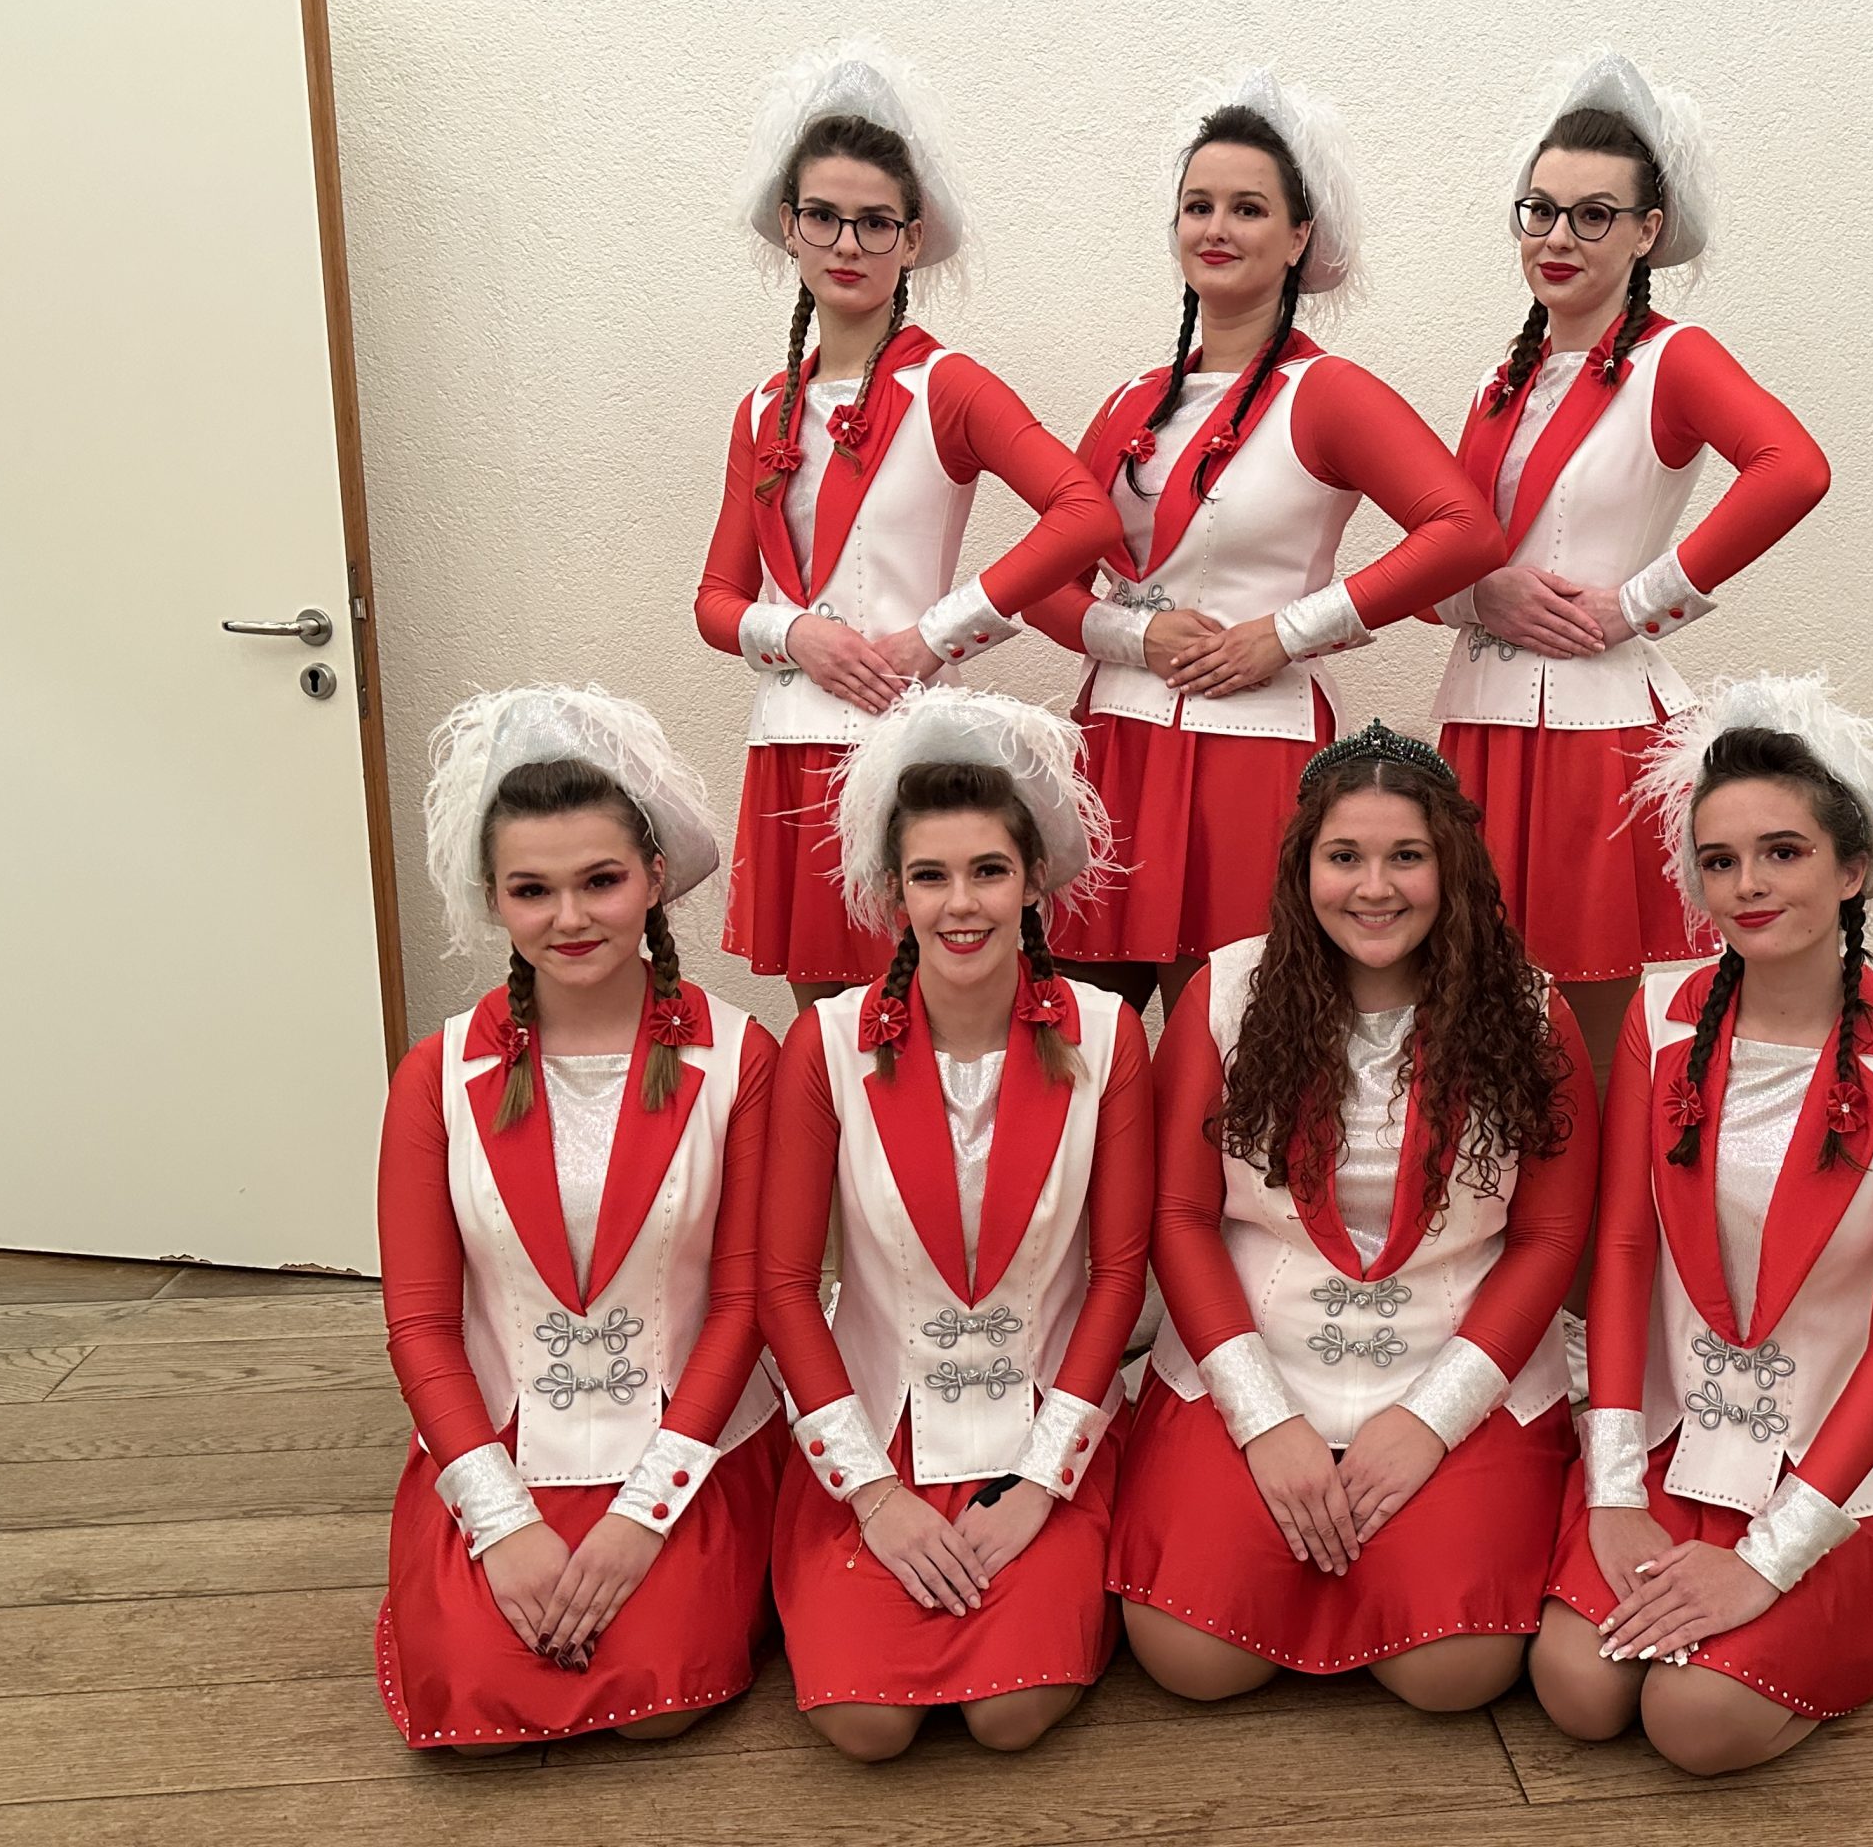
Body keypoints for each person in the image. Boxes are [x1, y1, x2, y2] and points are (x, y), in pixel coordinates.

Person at [1531, 672, 1873, 1775]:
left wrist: (1768, 1561)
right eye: (1720, 860)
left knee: (1698, 1725)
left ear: (1852, 868)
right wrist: (1614, 1487)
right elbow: (1624, 1249)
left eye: (1783, 852)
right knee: (1578, 1689)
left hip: (1828, 1460)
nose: (1747, 886)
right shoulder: (1657, 1019)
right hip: (1674, 1433)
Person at [1109, 722, 1593, 1711]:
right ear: (1304, 867)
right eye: (1344, 857)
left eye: (1406, 856)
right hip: (1258, 1345)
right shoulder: (1224, 995)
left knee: (1451, 1669)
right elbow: (1181, 1218)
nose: (1374, 888)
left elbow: (1549, 1235)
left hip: (1455, 1350)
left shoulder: (1530, 1008)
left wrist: (1432, 1420)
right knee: (1192, 1652)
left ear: (1451, 867)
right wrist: (1262, 1419)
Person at [1025, 71, 1500, 1013]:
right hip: (1115, 745)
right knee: (1082, 1028)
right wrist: (1133, 635)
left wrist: (1284, 634)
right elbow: (1044, 581)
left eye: (1248, 209)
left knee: (1234, 1026)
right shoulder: (1129, 402)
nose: (1218, 228)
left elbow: (1464, 531)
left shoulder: (1329, 393)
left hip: (1255, 747)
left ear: (1297, 239)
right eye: (1198, 206)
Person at [375, 686, 782, 1751]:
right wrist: (500, 1520)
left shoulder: (742, 1058)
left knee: (663, 1693)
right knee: (477, 1689)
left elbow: (745, 1304)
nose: (570, 919)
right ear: (494, 899)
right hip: (502, 1441)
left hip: (688, 1435)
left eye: (601, 880)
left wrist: (645, 1515)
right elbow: (419, 1325)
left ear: (655, 876)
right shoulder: (435, 1075)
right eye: (533, 890)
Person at [756, 686, 1152, 1758]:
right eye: (930, 876)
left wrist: (1042, 1481)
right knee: (865, 1722)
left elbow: (1120, 1273)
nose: (960, 904)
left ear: (1034, 882)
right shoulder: (826, 1044)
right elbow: (784, 1288)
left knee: (1011, 1710)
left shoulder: (1108, 1035)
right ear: (893, 893)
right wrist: (871, 1493)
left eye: (989, 871)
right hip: (875, 1420)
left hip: (1043, 1415)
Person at [697, 42, 1122, 1005]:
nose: (847, 245)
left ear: (913, 238)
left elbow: (1083, 514)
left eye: (875, 223)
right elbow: (716, 601)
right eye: (823, 217)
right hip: (786, 742)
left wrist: (935, 635)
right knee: (824, 1031)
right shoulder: (760, 408)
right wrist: (794, 634)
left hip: (902, 743)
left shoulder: (947, 384)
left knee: (927, 1018)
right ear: (789, 227)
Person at [1433, 53, 1830, 1081]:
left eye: (1593, 215)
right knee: (1473, 994)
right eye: (1541, 211)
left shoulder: (1673, 358)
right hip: (1480, 718)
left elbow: (1793, 469)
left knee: (1582, 1020)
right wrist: (1477, 593)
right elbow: (1452, 546)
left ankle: (1602, 1187)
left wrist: (1636, 604)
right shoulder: (1499, 377)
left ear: (1646, 231)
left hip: (1590, 724)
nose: (1558, 238)